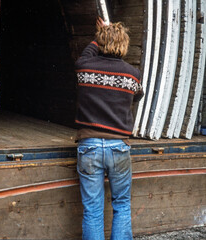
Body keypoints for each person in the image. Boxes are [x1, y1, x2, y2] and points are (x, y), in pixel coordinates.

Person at [74, 17, 143, 240]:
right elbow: (138, 95)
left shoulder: (84, 68)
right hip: (119, 148)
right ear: (124, 45)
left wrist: (101, 35)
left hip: (89, 147)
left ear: (100, 43)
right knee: (121, 204)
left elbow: (86, 55)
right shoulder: (132, 74)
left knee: (92, 210)